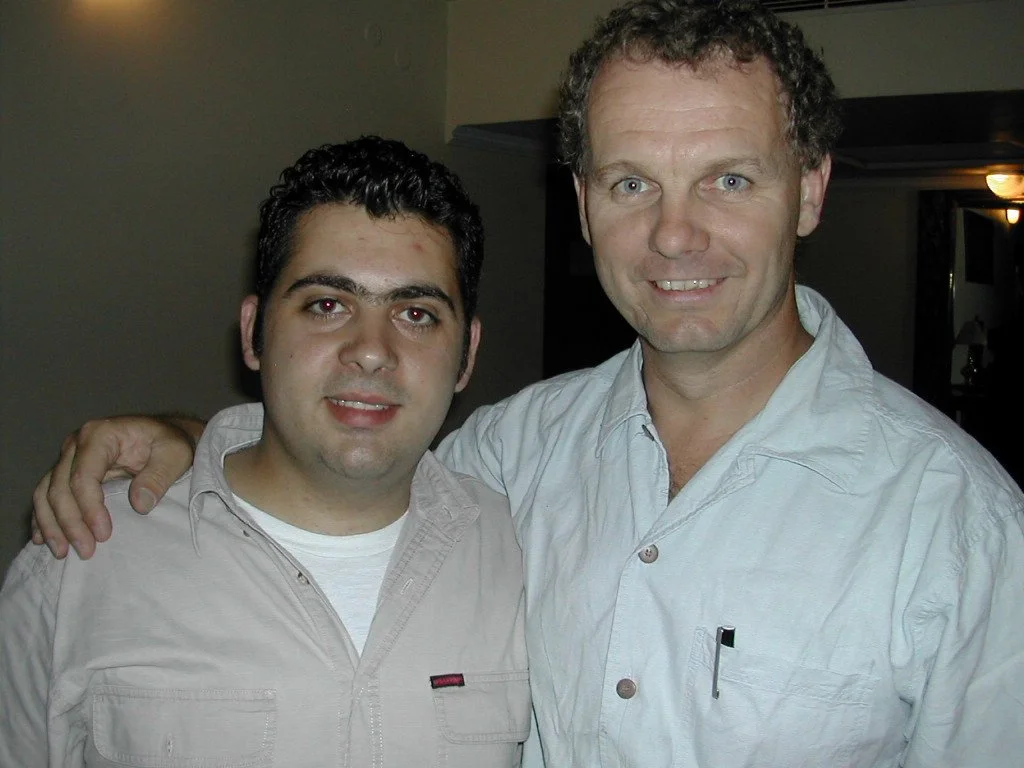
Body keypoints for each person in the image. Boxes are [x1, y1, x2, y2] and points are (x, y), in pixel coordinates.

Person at [28, 1, 1024, 765]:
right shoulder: (512, 453)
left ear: (808, 188)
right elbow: (347, 457)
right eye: (632, 182)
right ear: (585, 204)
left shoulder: (959, 527)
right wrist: (186, 437)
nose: (675, 235)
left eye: (728, 179)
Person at [1, 136, 530, 767]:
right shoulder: (83, 559)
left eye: (416, 314)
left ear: (466, 354)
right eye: (327, 305)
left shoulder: (524, 553)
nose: (371, 350)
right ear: (254, 333)